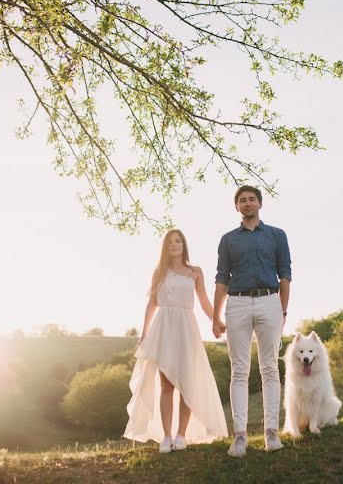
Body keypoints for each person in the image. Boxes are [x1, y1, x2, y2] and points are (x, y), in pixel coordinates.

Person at [124, 229, 228, 453]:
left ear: (184, 244)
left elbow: (203, 301)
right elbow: (152, 304)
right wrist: (144, 333)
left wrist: (216, 321)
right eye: (170, 241)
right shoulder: (159, 272)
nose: (175, 244)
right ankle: (167, 436)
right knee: (166, 384)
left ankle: (182, 435)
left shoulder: (195, 272)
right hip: (164, 328)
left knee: (187, 383)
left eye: (178, 240)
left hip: (186, 328)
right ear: (165, 246)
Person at [212, 185, 291, 457]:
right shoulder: (228, 239)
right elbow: (221, 278)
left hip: (270, 300)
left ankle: (271, 433)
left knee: (270, 367)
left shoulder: (277, 235)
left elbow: (285, 274)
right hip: (238, 303)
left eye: (251, 199)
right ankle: (240, 436)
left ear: (260, 203)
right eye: (242, 201)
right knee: (239, 370)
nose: (247, 204)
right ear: (237, 207)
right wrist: (215, 315)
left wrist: (282, 310)